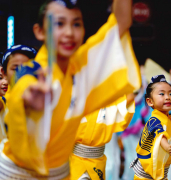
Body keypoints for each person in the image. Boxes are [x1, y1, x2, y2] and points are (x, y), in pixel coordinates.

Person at [0, 0, 140, 179]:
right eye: (59, 23)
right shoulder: (34, 72)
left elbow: (122, 21)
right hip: (17, 173)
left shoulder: (82, 66)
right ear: (40, 31)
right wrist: (31, 101)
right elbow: (24, 88)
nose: (69, 32)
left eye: (76, 24)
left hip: (62, 171)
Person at [70, 95, 135, 180]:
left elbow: (128, 100)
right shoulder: (78, 90)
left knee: (113, 162)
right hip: (74, 160)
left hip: (97, 162)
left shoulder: (110, 95)